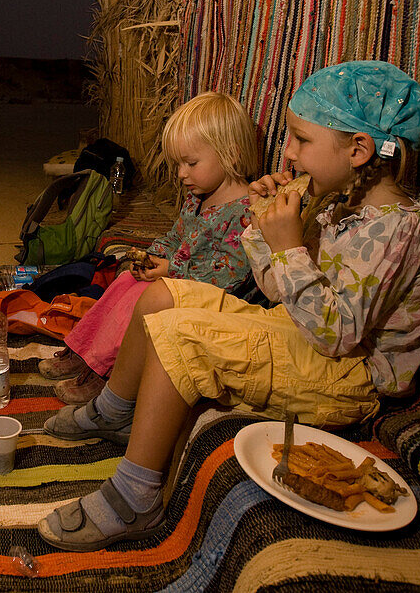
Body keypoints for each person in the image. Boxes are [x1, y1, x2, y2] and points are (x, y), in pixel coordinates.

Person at [36, 61, 420, 551]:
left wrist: (291, 246)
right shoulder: (341, 209)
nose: (288, 155)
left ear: (358, 151)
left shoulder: (400, 231)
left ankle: (135, 497)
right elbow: (280, 291)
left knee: (181, 335)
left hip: (347, 376)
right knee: (161, 295)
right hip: (299, 334)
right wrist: (262, 229)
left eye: (301, 140)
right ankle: (114, 412)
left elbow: (336, 335)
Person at [41, 92, 260, 405]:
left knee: (137, 297)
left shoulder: (243, 213)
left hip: (212, 300)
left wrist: (171, 269)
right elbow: (175, 237)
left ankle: (107, 373)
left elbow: (229, 275)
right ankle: (84, 351)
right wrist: (153, 256)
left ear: (232, 154)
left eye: (191, 163)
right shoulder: (198, 199)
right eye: (179, 163)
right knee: (126, 281)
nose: (182, 173)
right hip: (178, 282)